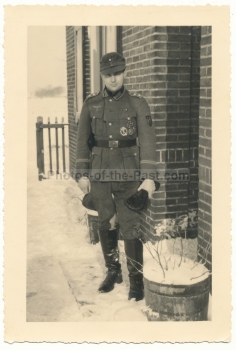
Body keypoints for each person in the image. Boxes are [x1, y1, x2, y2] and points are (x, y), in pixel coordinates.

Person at [75, 52, 157, 301]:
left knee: (130, 225)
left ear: (124, 73)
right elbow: (81, 142)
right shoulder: (91, 104)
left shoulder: (137, 103)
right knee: (105, 222)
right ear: (102, 76)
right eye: (108, 75)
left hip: (128, 172)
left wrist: (149, 177)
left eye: (118, 73)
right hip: (99, 172)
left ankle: (136, 282)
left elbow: (148, 142)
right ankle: (113, 272)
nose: (113, 79)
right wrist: (82, 173)